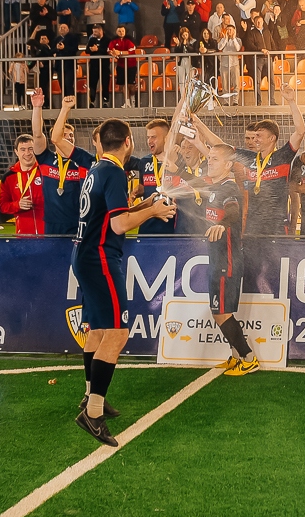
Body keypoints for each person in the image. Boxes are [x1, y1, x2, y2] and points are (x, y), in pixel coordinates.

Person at [71, 118, 179, 445]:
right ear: (128, 141)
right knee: (117, 332)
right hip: (101, 258)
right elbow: (119, 225)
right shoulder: (115, 172)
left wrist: (147, 204)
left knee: (98, 330)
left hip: (85, 255)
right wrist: (153, 213)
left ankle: (90, 396)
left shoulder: (96, 169)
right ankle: (93, 413)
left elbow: (112, 213)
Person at [168, 126, 257, 377]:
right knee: (220, 311)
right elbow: (193, 181)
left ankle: (249, 358)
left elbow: (233, 212)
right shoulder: (213, 184)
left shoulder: (228, 188)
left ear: (228, 165)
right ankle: (236, 357)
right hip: (218, 258)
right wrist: (178, 166)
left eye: (215, 160)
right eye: (209, 158)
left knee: (220, 313)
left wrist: (222, 224)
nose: (210, 162)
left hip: (227, 260)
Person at [189, 84, 305, 236]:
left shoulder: (282, 156)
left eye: (259, 136)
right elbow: (221, 146)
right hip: (251, 228)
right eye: (254, 136)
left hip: (276, 228)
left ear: (272, 138)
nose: (254, 139)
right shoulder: (250, 158)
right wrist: (197, 123)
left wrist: (291, 101)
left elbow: (300, 132)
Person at [32, 92, 97, 235]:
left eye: (71, 135)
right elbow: (37, 134)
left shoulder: (83, 160)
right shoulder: (46, 158)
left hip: (79, 223)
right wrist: (37, 108)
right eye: (64, 135)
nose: (68, 138)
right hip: (52, 224)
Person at [133, 119, 177, 235]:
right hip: (146, 227)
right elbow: (145, 186)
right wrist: (138, 191)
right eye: (148, 137)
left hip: (171, 229)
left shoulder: (178, 162)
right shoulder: (144, 161)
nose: (149, 141)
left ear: (166, 139)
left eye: (153, 137)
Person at [0, 133, 46, 234]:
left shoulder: (45, 172)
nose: (27, 153)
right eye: (23, 150)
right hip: (23, 235)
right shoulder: (8, 177)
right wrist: (17, 205)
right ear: (16, 152)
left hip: (48, 233)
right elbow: (2, 206)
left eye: (30, 149)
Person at [108, 24, 138, 108]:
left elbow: (131, 51)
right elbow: (110, 50)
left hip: (131, 65)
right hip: (121, 66)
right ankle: (127, 103)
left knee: (131, 85)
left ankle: (133, 102)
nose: (121, 33)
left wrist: (120, 53)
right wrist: (113, 53)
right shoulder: (113, 41)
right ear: (116, 32)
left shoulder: (129, 40)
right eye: (119, 31)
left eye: (122, 31)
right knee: (123, 85)